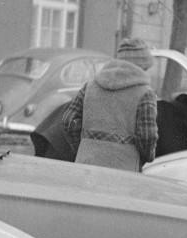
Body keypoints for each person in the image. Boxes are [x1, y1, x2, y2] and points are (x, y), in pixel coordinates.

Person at [62, 36, 159, 172]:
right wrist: (146, 157)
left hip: (85, 166)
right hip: (124, 170)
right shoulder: (145, 93)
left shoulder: (90, 87)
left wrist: (84, 145)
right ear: (143, 66)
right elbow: (147, 136)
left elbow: (68, 120)